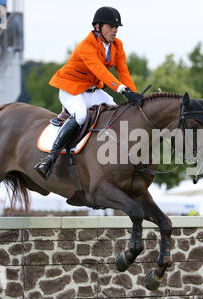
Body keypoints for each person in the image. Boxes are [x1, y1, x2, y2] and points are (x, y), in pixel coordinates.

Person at [34, 7, 142, 180]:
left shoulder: (117, 45)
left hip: (92, 91)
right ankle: (49, 159)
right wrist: (122, 89)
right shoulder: (87, 45)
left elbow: (123, 72)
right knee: (81, 116)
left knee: (117, 111)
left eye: (117, 27)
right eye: (111, 26)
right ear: (98, 27)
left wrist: (135, 95)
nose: (114, 30)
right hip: (71, 89)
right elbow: (100, 71)